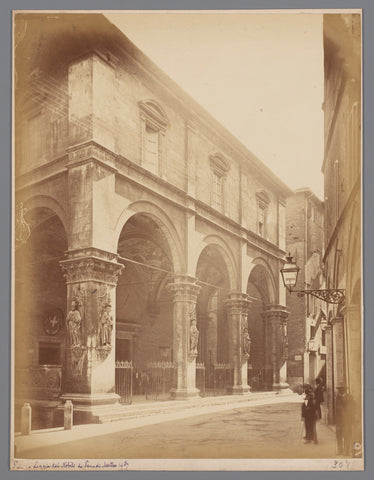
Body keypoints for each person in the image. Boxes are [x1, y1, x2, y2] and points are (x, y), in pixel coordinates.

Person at [335, 385, 354, 456]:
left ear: (344, 390)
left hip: (346, 420)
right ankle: (340, 450)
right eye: (339, 389)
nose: (339, 391)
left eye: (340, 389)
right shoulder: (338, 397)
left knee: (346, 436)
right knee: (338, 436)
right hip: (339, 420)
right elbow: (336, 409)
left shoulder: (350, 397)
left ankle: (346, 451)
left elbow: (351, 409)